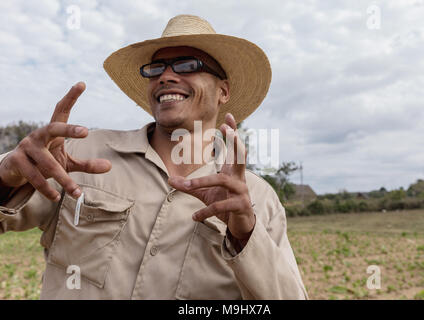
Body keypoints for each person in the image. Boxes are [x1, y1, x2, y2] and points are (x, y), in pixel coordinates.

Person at [0, 15, 307, 300]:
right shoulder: (80, 155)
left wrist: (245, 236)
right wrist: (6, 177)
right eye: (156, 69)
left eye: (187, 65)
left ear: (223, 91)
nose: (166, 76)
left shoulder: (258, 200)